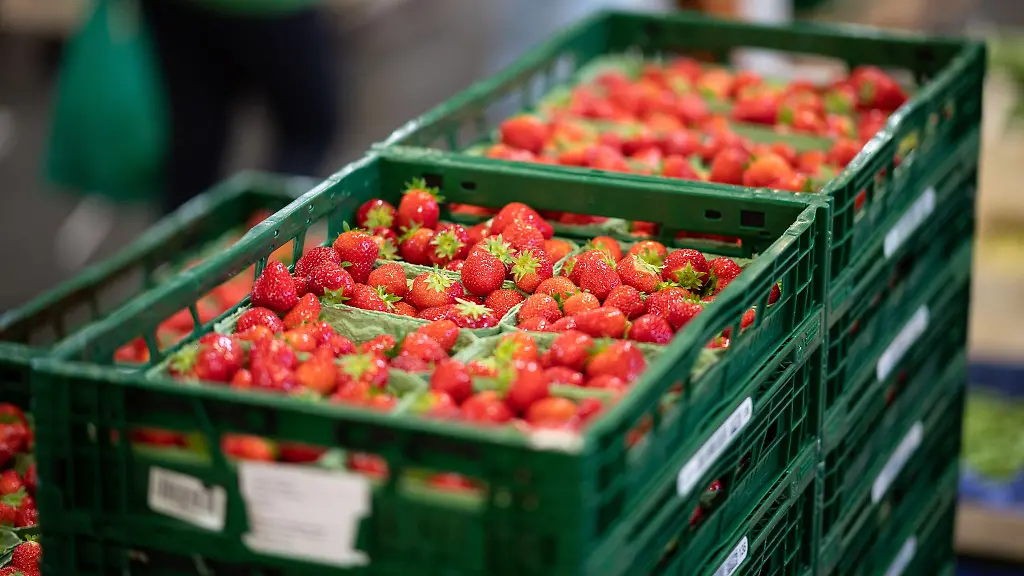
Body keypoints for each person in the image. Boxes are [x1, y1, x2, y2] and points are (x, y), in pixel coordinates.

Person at [140, 0, 339, 214]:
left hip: (180, 10)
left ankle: (184, 240)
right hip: (265, 9)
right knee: (308, 130)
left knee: (195, 142)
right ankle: (266, 230)